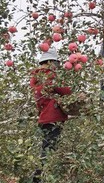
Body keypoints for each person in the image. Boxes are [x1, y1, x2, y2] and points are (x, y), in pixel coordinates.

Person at [30, 47, 72, 183]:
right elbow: (65, 91)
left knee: (47, 147)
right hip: (53, 118)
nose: (57, 66)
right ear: (49, 62)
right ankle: (39, 178)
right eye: (56, 63)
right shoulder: (51, 76)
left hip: (43, 119)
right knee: (49, 150)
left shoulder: (36, 79)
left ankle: (41, 176)